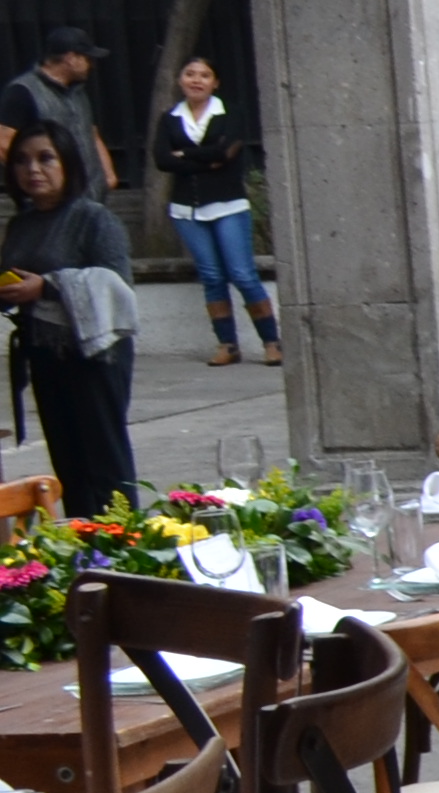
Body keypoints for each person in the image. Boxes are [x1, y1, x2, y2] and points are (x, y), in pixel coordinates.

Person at [2, 121, 137, 512]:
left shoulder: (94, 219)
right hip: (43, 355)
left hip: (94, 356)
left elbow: (117, 286)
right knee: (69, 463)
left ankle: (123, 547)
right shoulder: (21, 224)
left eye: (46, 158)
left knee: (105, 463)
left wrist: (47, 287)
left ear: (68, 164)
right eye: (22, 161)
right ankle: (84, 551)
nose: (33, 170)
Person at [150, 54, 274, 365]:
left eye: (204, 75)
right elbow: (162, 160)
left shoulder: (229, 112)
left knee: (242, 274)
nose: (196, 80)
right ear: (180, 80)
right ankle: (227, 344)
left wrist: (187, 154)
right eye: (190, 74)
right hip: (187, 209)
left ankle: (272, 340)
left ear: (214, 82)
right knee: (211, 276)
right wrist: (207, 158)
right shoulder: (169, 118)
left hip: (228, 204)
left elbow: (226, 153)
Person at [4, 26, 111, 198]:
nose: (91, 65)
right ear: (71, 58)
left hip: (91, 196)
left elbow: (90, 131)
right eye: (86, 58)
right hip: (53, 201)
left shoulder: (78, 92)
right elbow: (4, 142)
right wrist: (44, 182)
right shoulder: (23, 91)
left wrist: (108, 174)